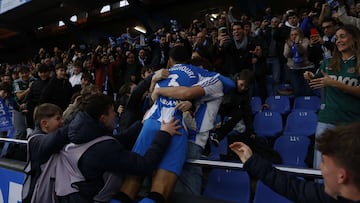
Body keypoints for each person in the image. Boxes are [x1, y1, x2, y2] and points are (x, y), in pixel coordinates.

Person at [30, 94, 182, 203]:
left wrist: (141, 125)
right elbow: (144, 165)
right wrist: (164, 134)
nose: (115, 115)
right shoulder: (103, 149)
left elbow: (115, 141)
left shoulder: (78, 135)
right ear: (103, 118)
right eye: (111, 112)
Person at [119, 45, 223, 203]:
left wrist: (189, 103)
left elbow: (194, 99)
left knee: (143, 185)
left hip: (176, 133)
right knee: (156, 189)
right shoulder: (169, 79)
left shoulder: (203, 82)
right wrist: (154, 82)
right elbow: (147, 101)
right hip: (170, 127)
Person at [229, 122, 360, 203]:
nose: (320, 168)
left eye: (324, 162)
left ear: (341, 176)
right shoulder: (329, 196)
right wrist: (252, 161)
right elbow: (292, 187)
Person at [304, 24, 360, 169]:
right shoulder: (328, 62)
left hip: (352, 122)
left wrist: (334, 83)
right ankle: (321, 191)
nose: (339, 41)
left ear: (354, 38)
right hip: (327, 119)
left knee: (349, 165)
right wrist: (309, 76)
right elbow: (316, 80)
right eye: (337, 38)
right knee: (321, 164)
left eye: (343, 36)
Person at [22, 103, 68, 203]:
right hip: (38, 196)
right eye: (58, 119)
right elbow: (55, 139)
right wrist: (76, 126)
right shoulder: (35, 140)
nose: (62, 122)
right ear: (44, 123)